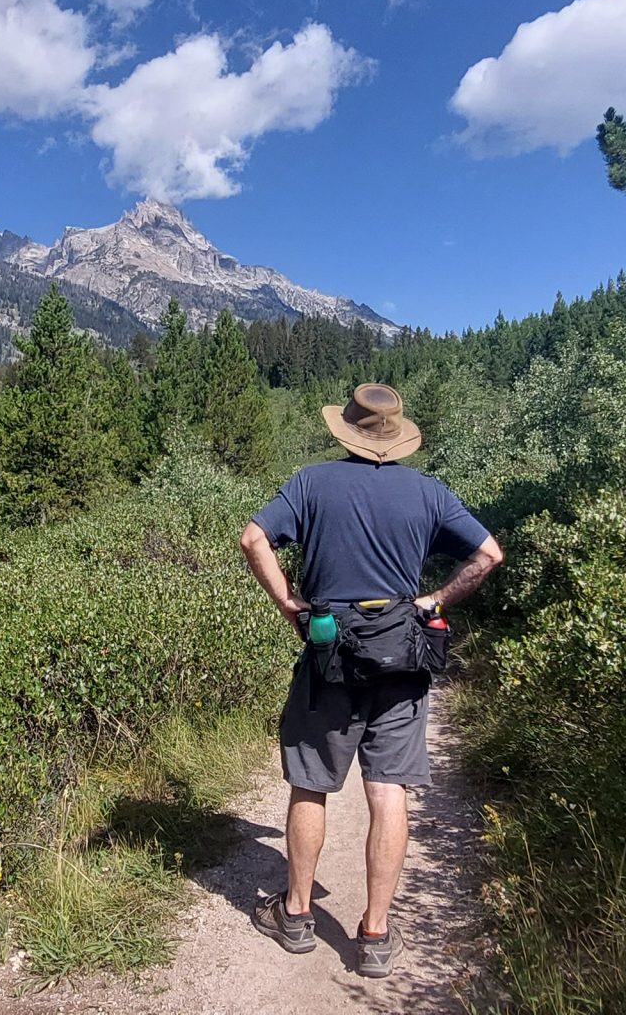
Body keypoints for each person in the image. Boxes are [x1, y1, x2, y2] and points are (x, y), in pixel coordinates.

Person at [236, 382, 504, 978]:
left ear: (348, 431)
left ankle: (297, 915)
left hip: (331, 651)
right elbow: (488, 555)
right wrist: (434, 597)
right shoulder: (430, 492)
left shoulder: (311, 482)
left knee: (311, 785)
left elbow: (253, 538)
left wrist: (288, 603)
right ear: (397, 437)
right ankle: (376, 936)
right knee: (388, 793)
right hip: (403, 656)